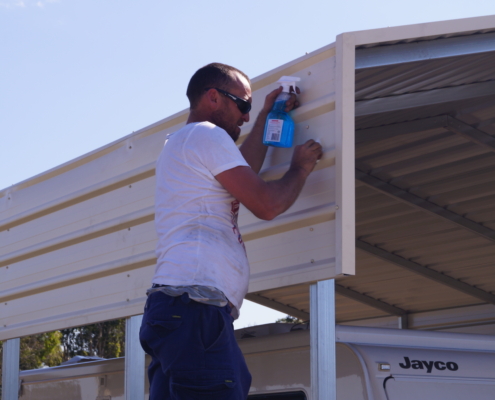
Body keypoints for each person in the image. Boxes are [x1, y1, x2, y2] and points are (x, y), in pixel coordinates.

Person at [139, 63, 322, 400]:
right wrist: (299, 168)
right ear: (213, 97)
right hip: (195, 307)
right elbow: (266, 204)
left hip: (177, 310)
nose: (246, 117)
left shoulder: (189, 142)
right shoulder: (205, 134)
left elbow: (243, 173)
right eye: (243, 105)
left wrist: (270, 114)